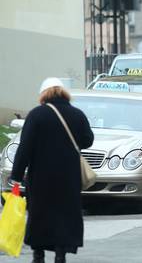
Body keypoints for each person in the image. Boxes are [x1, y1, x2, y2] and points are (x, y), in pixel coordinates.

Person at [10, 77, 94, 263]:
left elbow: (25, 147)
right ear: (64, 93)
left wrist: (16, 175)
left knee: (40, 214)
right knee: (65, 214)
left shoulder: (36, 115)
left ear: (43, 94)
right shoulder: (77, 114)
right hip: (69, 177)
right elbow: (88, 140)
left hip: (41, 177)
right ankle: (60, 254)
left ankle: (38, 255)